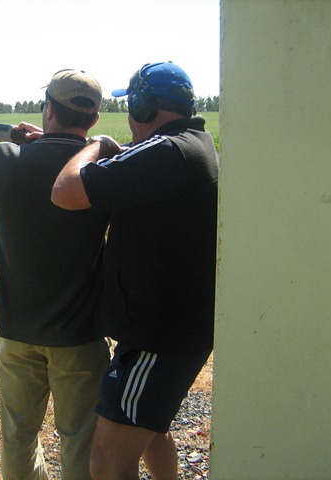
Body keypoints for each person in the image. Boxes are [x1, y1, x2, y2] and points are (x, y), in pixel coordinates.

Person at [51, 61, 218, 480]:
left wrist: (95, 146)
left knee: (107, 459)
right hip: (176, 328)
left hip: (155, 338)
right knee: (151, 433)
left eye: (132, 105)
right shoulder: (193, 143)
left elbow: (65, 192)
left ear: (143, 106)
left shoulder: (163, 151)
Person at [0, 69, 111, 480]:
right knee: (78, 439)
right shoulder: (103, 167)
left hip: (16, 331)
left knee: (18, 437)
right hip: (81, 336)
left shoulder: (4, 160)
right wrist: (62, 143)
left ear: (48, 108)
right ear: (91, 120)